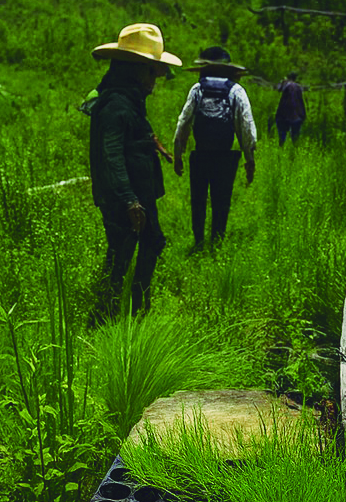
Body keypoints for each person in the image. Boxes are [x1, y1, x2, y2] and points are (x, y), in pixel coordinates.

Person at [88, 23, 180, 316]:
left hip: (139, 194)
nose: (156, 78)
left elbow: (129, 139)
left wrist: (153, 143)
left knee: (152, 242)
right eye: (152, 71)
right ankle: (105, 313)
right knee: (120, 253)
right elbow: (111, 154)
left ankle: (137, 307)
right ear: (133, 69)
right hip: (124, 199)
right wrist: (129, 200)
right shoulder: (115, 104)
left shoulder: (130, 100)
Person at [172, 46, 258, 251]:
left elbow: (183, 123)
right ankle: (216, 244)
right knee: (222, 200)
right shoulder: (236, 90)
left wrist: (178, 154)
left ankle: (198, 241)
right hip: (225, 157)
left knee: (198, 200)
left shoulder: (197, 89)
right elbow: (246, 127)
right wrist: (250, 159)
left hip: (200, 155)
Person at [275, 72, 306, 145]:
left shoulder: (286, 85)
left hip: (284, 114)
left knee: (282, 136)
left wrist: (283, 82)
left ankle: (281, 149)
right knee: (295, 137)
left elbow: (278, 89)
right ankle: (294, 151)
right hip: (297, 114)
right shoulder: (298, 87)